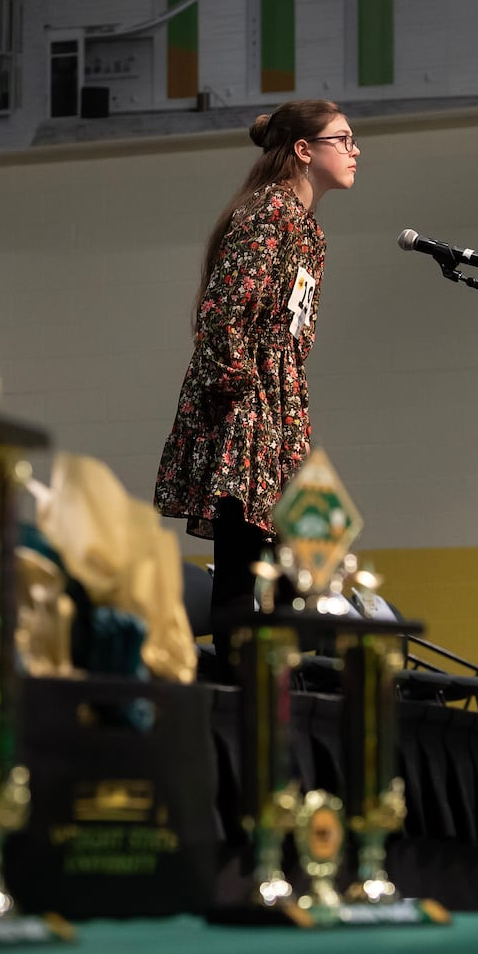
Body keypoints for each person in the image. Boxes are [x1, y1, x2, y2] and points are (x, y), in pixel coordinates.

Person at [153, 100, 359, 678]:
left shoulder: (306, 229)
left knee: (304, 562)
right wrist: (253, 398)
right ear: (303, 150)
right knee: (246, 562)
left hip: (278, 408)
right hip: (246, 407)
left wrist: (284, 406)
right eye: (341, 139)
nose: (354, 150)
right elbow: (221, 320)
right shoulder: (269, 215)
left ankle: (286, 693)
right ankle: (248, 703)